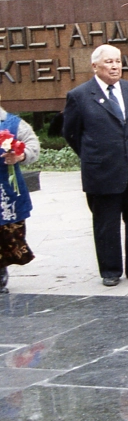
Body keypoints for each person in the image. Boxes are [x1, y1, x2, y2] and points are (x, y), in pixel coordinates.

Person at [62, 44, 128, 287]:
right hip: (101, 171)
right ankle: (110, 270)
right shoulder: (79, 96)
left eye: (118, 61)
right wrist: (94, 154)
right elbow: (71, 133)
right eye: (109, 62)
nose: (115, 66)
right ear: (95, 66)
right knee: (106, 224)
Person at [0, 95, 41, 293]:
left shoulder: (13, 123)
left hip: (5, 188)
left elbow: (33, 146)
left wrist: (20, 155)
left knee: (6, 233)